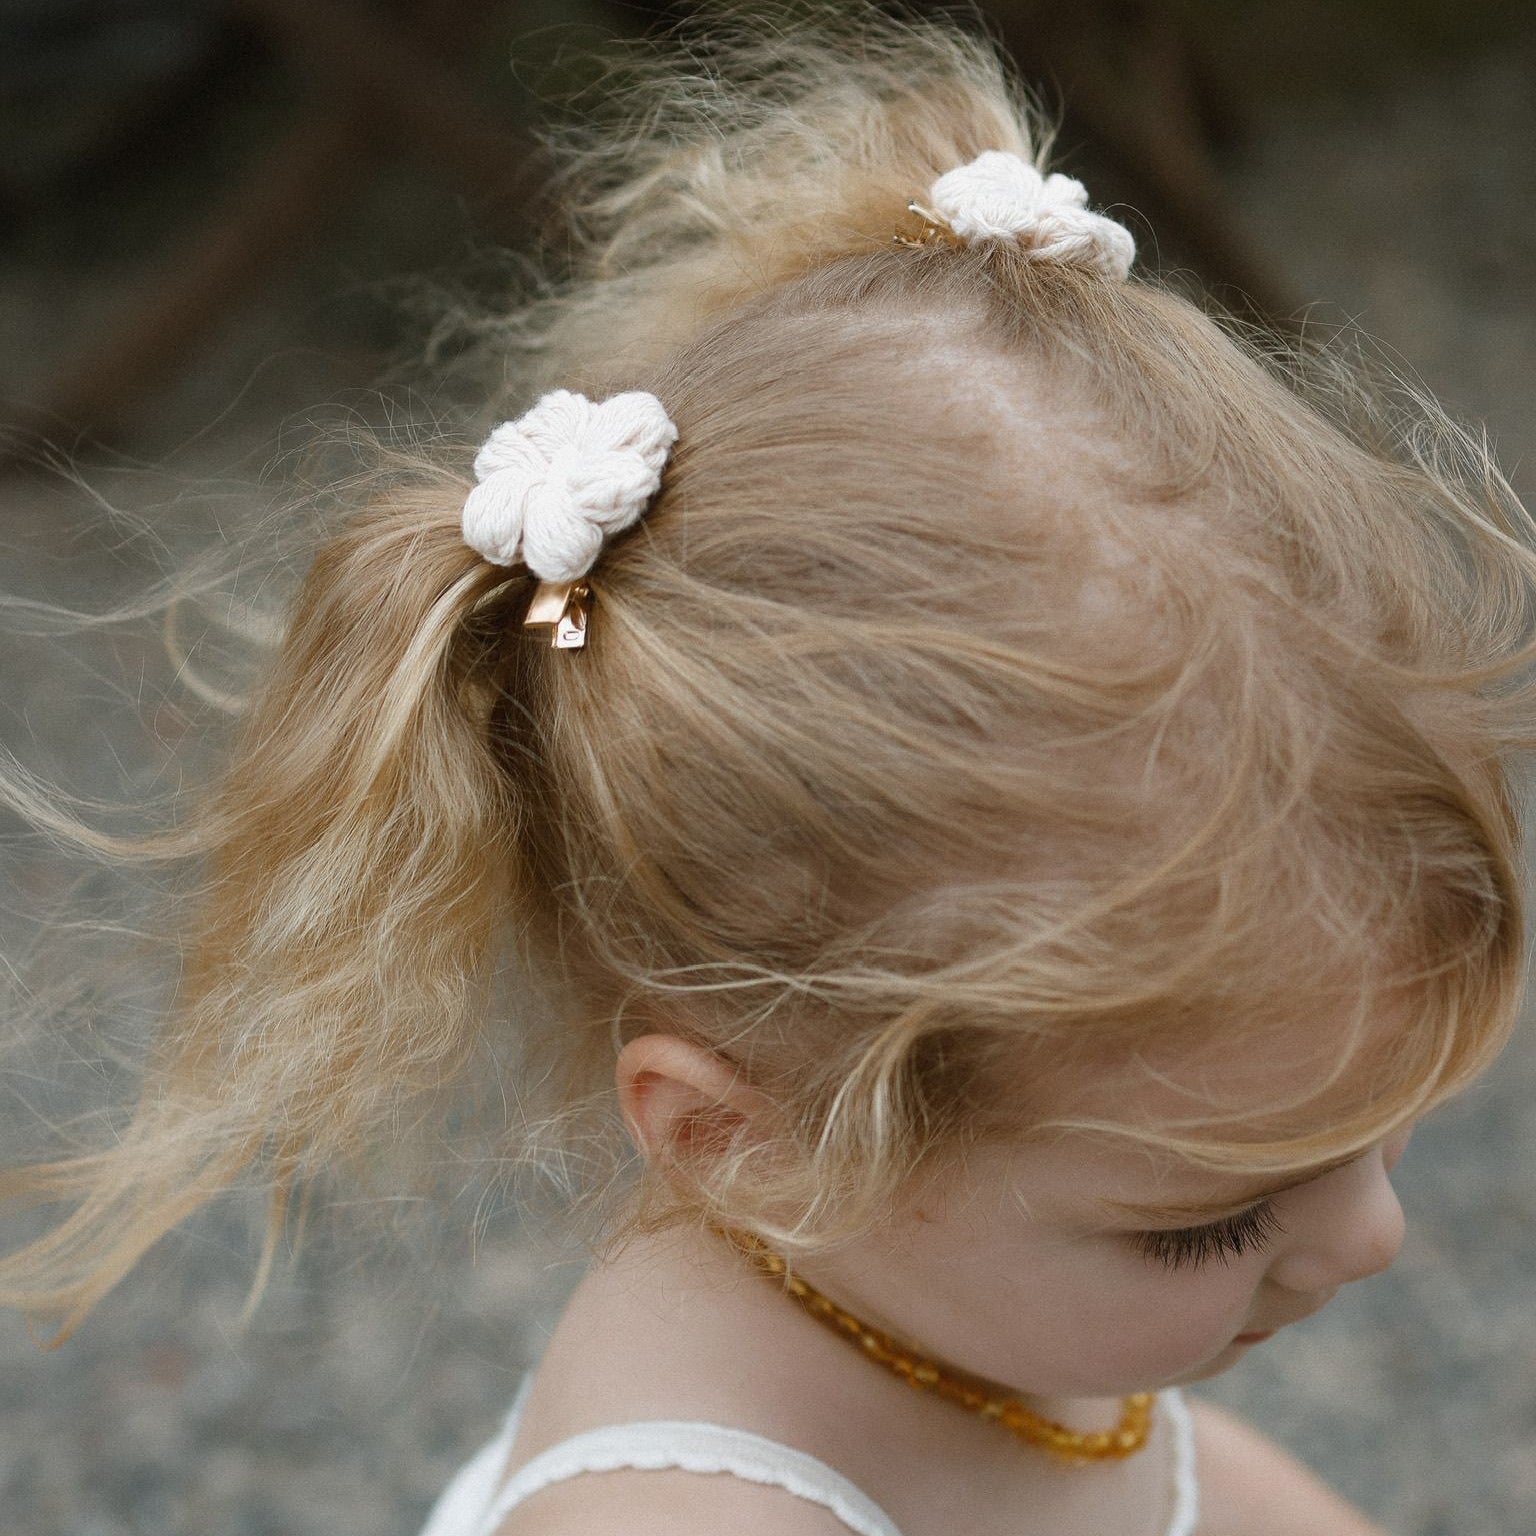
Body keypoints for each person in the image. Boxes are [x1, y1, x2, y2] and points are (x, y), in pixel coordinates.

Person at [3, 6, 1534, 1534]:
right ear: (744, 1143)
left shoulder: (948, 1280)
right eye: (1213, 1226)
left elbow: (1164, 1474)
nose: (1375, 1237)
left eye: (1385, 1131)